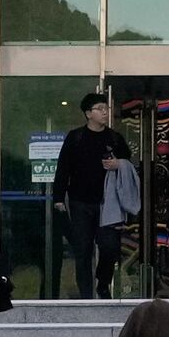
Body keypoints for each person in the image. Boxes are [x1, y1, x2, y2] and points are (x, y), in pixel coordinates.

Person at [51, 93, 132, 302]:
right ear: (88, 114)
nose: (104, 112)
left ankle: (103, 284)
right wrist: (58, 198)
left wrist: (118, 164)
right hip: (79, 202)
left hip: (108, 204)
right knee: (83, 251)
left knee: (110, 247)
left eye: (106, 108)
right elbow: (63, 169)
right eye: (99, 108)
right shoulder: (75, 137)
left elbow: (130, 164)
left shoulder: (114, 138)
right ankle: (86, 297)